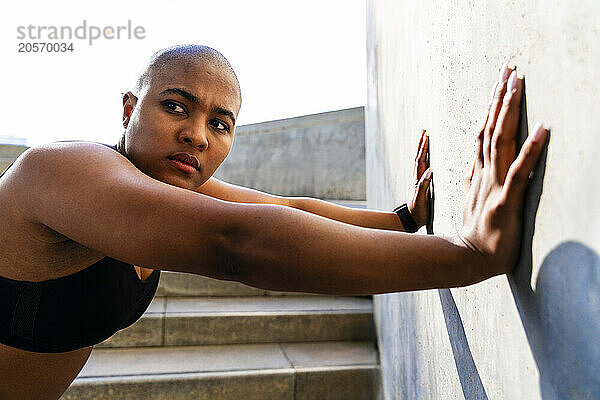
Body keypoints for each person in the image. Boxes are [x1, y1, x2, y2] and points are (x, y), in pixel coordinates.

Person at [0, 44, 547, 399]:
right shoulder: (61, 171)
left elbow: (284, 211)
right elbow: (237, 240)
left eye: (220, 123)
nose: (197, 134)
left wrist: (402, 219)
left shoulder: (165, 184)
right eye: (175, 107)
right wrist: (467, 253)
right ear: (128, 108)